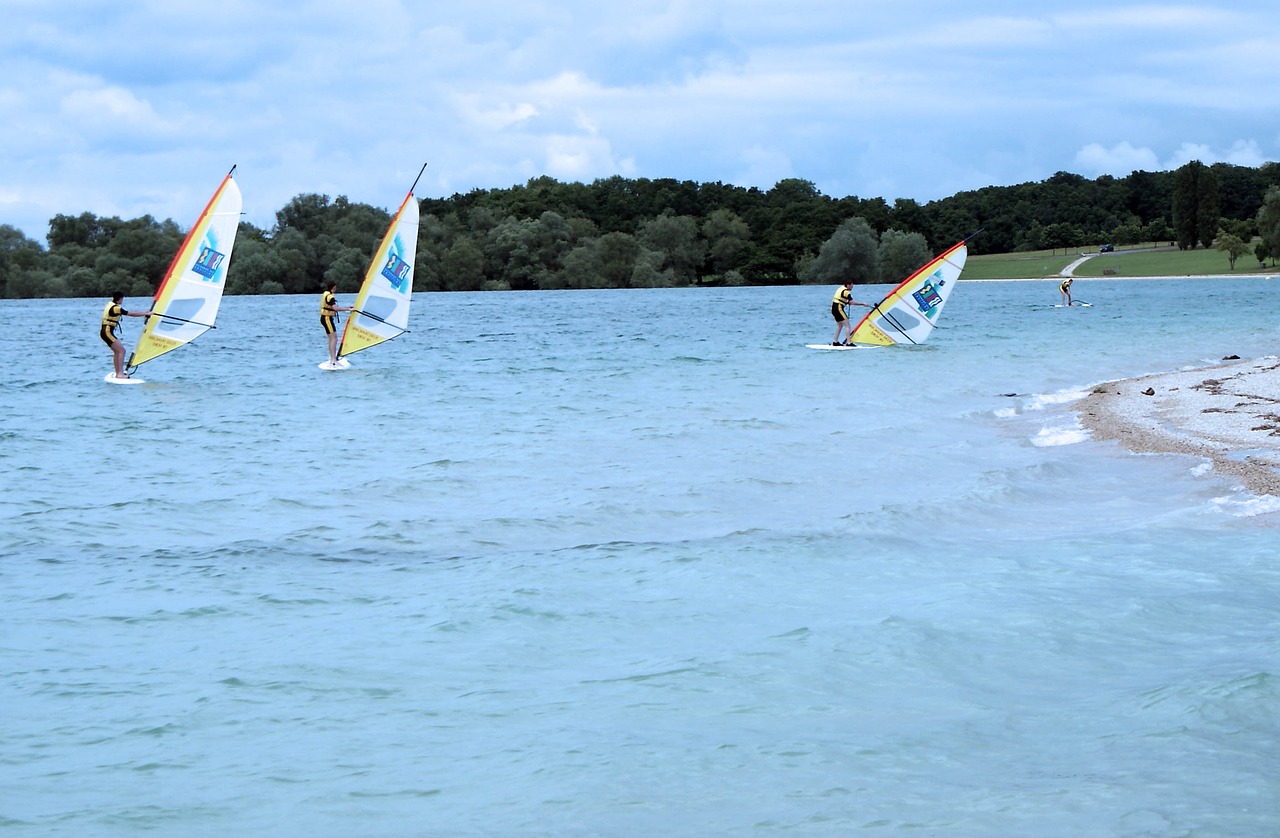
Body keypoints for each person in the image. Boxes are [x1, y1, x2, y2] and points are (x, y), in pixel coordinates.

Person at [100, 292, 152, 379]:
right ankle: (120, 374)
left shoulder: (110, 304)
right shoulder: (115, 308)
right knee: (122, 351)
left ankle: (118, 373)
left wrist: (144, 313)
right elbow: (130, 314)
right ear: (119, 299)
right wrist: (145, 313)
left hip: (105, 332)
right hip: (107, 332)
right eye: (122, 299)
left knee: (117, 352)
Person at [321, 281, 353, 364]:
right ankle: (333, 359)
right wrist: (348, 309)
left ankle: (333, 358)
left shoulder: (326, 293)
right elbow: (335, 308)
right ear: (333, 287)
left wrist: (347, 307)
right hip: (327, 319)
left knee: (332, 338)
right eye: (335, 287)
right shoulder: (330, 297)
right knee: (334, 338)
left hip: (325, 318)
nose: (336, 289)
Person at [831, 280, 870, 345]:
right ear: (848, 285)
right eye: (851, 286)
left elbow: (842, 299)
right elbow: (852, 302)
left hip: (834, 308)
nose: (852, 288)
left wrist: (846, 302)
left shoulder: (840, 288)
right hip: (838, 308)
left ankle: (835, 341)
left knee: (840, 325)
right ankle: (849, 343)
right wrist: (862, 304)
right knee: (847, 325)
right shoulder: (846, 292)